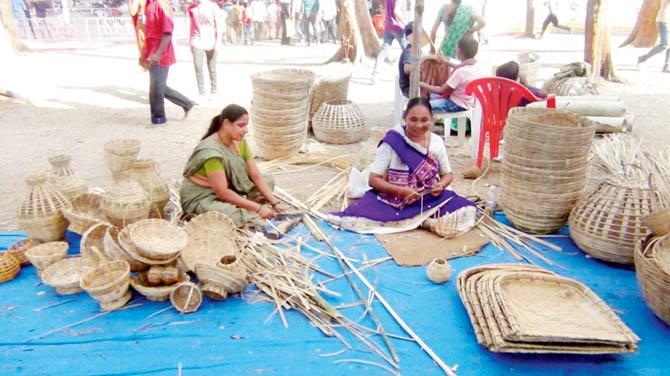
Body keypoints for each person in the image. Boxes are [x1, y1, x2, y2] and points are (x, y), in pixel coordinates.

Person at [328, 98, 476, 234]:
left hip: (430, 198)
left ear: (431, 119)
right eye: (413, 119)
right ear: (404, 118)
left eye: (424, 120)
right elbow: (374, 180)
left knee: (467, 210)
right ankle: (424, 221)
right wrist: (401, 191)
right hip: (395, 200)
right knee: (358, 219)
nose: (419, 125)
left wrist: (441, 185)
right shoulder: (393, 141)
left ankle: (420, 220)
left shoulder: (436, 142)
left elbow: (448, 174)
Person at [180, 104, 283, 227]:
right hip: (204, 196)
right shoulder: (211, 152)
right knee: (231, 216)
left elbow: (255, 174)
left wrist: (275, 202)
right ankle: (240, 205)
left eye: (246, 125)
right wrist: (258, 208)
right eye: (241, 125)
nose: (246, 130)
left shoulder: (240, 142)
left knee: (268, 180)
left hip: (230, 188)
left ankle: (239, 201)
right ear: (227, 123)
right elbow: (222, 192)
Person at [142, 0, 194, 125]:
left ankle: (158, 119)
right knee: (159, 86)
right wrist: (144, 54)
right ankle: (187, 103)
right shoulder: (148, 4)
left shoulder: (161, 5)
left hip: (161, 53)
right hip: (151, 52)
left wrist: (158, 54)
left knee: (156, 87)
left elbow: (167, 33)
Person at [420, 36, 482, 114]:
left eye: (457, 47)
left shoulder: (460, 72)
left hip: (455, 104)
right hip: (467, 102)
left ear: (459, 51)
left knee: (422, 107)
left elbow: (441, 90)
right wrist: (445, 62)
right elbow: (459, 67)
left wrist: (421, 83)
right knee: (430, 96)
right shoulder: (474, 66)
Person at [188, 0, 223, 98]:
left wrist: (218, 41)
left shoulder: (213, 6)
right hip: (197, 40)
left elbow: (219, 24)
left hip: (211, 39)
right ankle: (202, 92)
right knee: (198, 66)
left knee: (211, 66)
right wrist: (190, 41)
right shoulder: (192, 8)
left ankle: (214, 90)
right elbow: (192, 25)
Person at [371, 0, 409, 84]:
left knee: (383, 51)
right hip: (399, 28)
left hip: (388, 26)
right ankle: (408, 77)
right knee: (407, 51)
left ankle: (374, 76)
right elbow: (396, 11)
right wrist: (407, 24)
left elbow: (384, 9)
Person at [638, 0, 670, 72]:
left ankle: (666, 66)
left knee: (668, 46)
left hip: (667, 21)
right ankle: (642, 58)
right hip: (663, 21)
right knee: (664, 45)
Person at [398, 22, 413, 98]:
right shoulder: (408, 51)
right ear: (408, 37)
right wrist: (424, 60)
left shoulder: (417, 50)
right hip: (408, 88)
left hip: (414, 85)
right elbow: (407, 69)